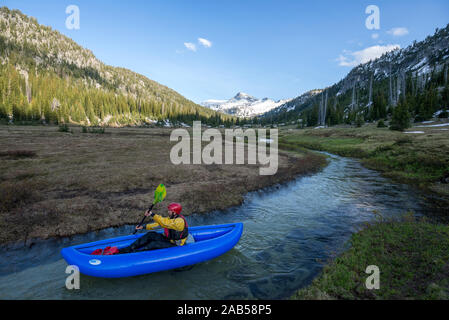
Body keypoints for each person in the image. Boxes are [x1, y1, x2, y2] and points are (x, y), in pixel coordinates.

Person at [119, 202, 189, 254]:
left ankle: (136, 253)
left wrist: (152, 214)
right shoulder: (171, 218)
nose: (168, 211)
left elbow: (164, 223)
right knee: (150, 234)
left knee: (153, 244)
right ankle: (130, 248)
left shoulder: (179, 221)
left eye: (170, 211)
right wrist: (143, 227)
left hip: (175, 244)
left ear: (174, 212)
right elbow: (158, 225)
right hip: (168, 239)